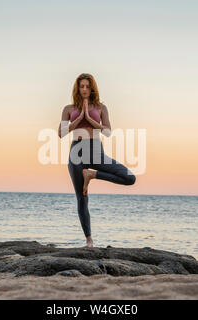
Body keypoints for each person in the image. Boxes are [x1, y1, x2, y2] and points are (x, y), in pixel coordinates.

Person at [57, 73, 136, 248]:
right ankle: (89, 240)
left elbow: (107, 132)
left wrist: (91, 120)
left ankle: (92, 174)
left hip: (96, 150)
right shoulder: (68, 109)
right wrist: (78, 119)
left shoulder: (101, 107)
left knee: (130, 178)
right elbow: (61, 133)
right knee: (82, 198)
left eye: (87, 86)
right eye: (81, 86)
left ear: (92, 88)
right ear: (77, 88)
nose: (84, 89)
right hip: (76, 153)